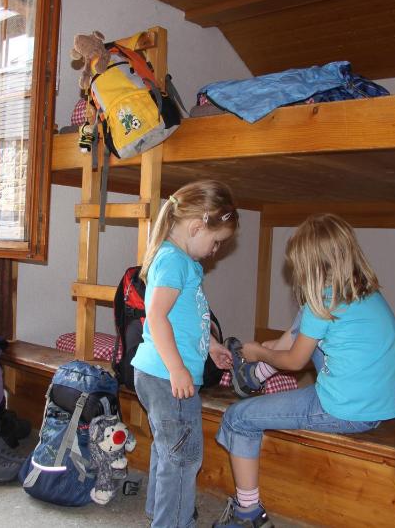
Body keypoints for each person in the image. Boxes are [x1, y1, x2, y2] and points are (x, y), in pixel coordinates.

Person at [213, 213, 395, 528]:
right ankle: (255, 375)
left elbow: (295, 362)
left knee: (239, 419)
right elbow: (302, 343)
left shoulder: (322, 303)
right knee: (304, 319)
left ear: (313, 265)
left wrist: (259, 349)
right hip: (380, 406)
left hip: (343, 409)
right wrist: (266, 350)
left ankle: (248, 514)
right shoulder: (367, 295)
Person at [131, 179, 239, 528]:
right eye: (216, 241)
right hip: (167, 376)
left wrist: (212, 345)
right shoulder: (174, 261)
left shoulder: (180, 261)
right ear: (196, 226)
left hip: (161, 373)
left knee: (169, 451)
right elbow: (157, 315)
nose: (216, 250)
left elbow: (187, 319)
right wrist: (178, 369)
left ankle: (160, 514)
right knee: (183, 457)